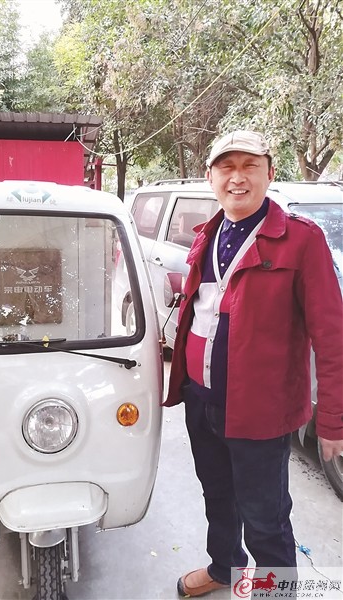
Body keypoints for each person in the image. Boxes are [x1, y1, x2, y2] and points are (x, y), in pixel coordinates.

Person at [164, 130, 343, 598]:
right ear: (210, 176)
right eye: (227, 167)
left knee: (265, 517)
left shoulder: (301, 240)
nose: (237, 178)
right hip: (201, 400)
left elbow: (332, 337)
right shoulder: (208, 235)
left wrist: (333, 420)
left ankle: (274, 592)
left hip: (260, 413)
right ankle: (225, 568)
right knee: (218, 497)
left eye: (250, 166)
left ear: (270, 172)